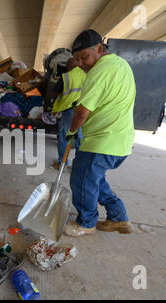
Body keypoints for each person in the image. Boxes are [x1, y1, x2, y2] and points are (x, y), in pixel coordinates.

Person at [63, 29, 136, 237]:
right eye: (77, 59)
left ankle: (86, 223)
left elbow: (81, 111)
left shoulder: (99, 71)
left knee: (81, 179)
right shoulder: (121, 65)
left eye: (84, 57)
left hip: (102, 140)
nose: (81, 63)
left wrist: (71, 132)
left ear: (98, 48)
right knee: (93, 178)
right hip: (121, 141)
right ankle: (118, 216)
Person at [51, 57, 86, 170]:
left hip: (69, 110)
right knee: (79, 138)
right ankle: (79, 165)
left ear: (69, 67)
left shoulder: (67, 76)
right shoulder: (87, 74)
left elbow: (55, 91)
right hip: (84, 110)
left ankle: (62, 163)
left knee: (64, 137)